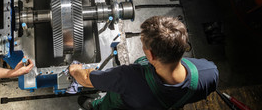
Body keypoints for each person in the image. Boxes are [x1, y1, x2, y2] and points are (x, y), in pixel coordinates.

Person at [69, 16, 219, 109]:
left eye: (143, 44)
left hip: (122, 105)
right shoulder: (209, 72)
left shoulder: (128, 77)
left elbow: (87, 79)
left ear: (151, 55)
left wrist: (75, 70)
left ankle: (96, 107)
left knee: (107, 106)